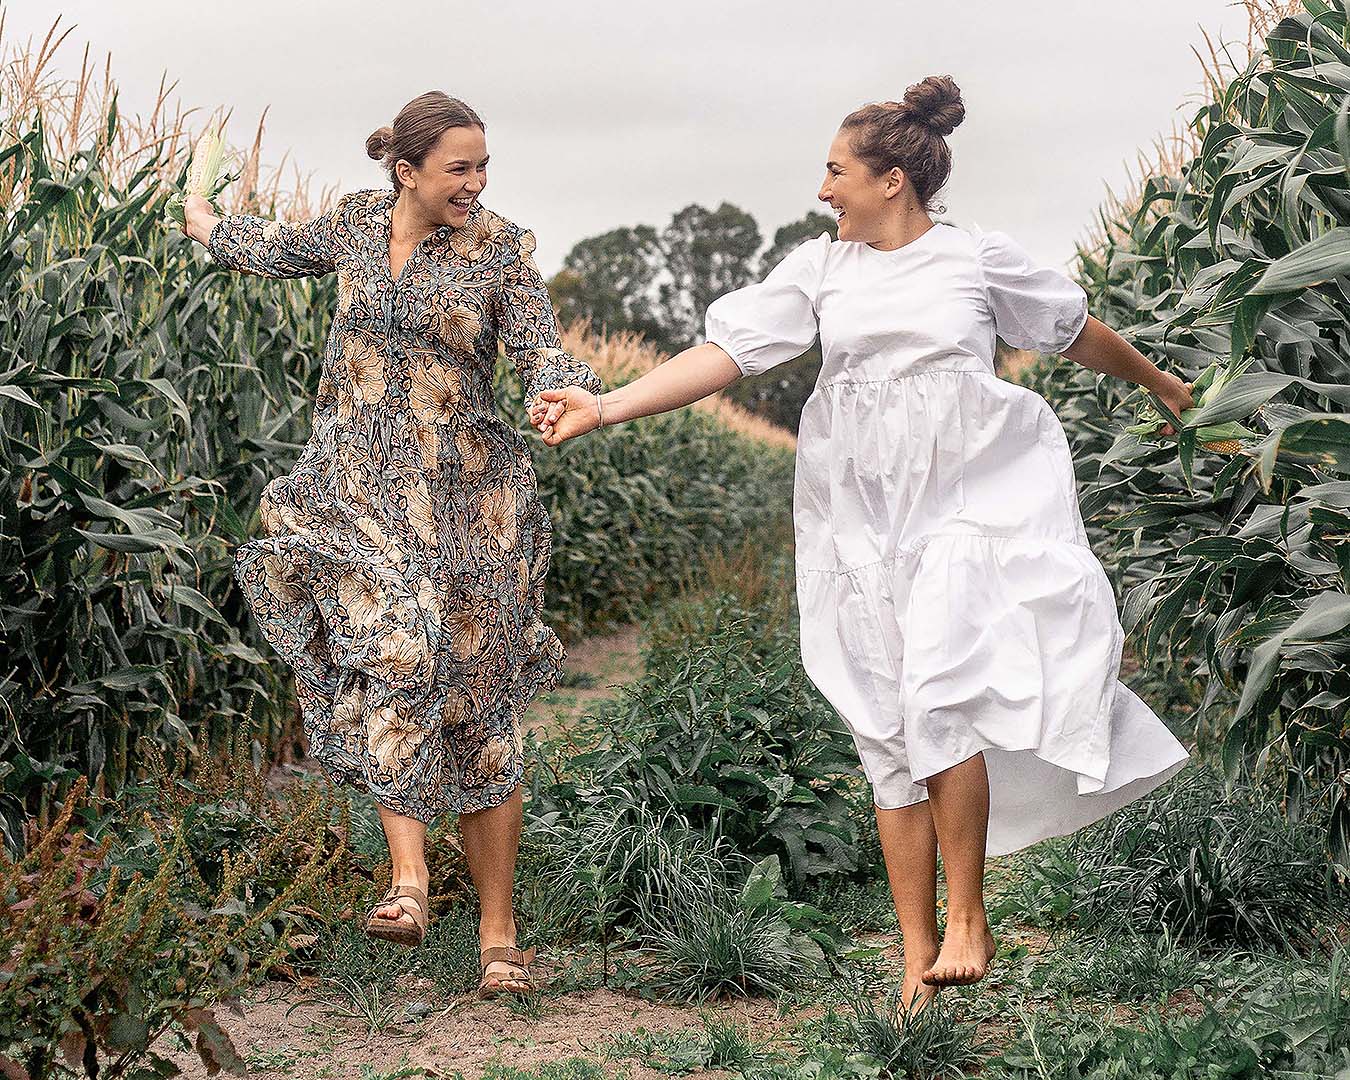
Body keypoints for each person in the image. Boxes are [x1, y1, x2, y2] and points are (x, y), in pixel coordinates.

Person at [526, 75, 1191, 1012]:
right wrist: (607, 405)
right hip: (856, 511)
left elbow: (1075, 332)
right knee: (886, 725)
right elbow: (724, 357)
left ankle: (970, 915)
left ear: (893, 180)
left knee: (943, 691)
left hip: (964, 495)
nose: (823, 188)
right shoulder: (821, 270)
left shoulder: (973, 258)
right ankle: (919, 960)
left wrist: (1164, 387)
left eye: (836, 170)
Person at [181, 90, 602, 995]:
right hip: (358, 489)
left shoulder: (500, 250)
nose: (478, 183)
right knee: (397, 654)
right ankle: (409, 882)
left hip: (468, 498)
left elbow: (540, 345)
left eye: (485, 166)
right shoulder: (355, 224)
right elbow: (268, 248)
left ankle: (498, 941)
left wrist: (565, 391)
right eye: (460, 168)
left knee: (479, 712)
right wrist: (203, 217)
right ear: (405, 171)